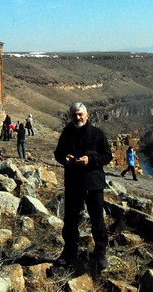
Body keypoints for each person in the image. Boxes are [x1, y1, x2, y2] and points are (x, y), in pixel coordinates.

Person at [54, 102, 112, 271]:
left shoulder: (98, 134)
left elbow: (107, 155)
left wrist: (90, 160)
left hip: (93, 184)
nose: (77, 118)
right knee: (71, 219)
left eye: (80, 114)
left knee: (97, 220)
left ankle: (100, 253)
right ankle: (69, 251)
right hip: (73, 183)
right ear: (70, 116)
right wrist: (65, 158)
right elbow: (58, 154)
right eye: (74, 115)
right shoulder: (66, 133)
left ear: (87, 116)